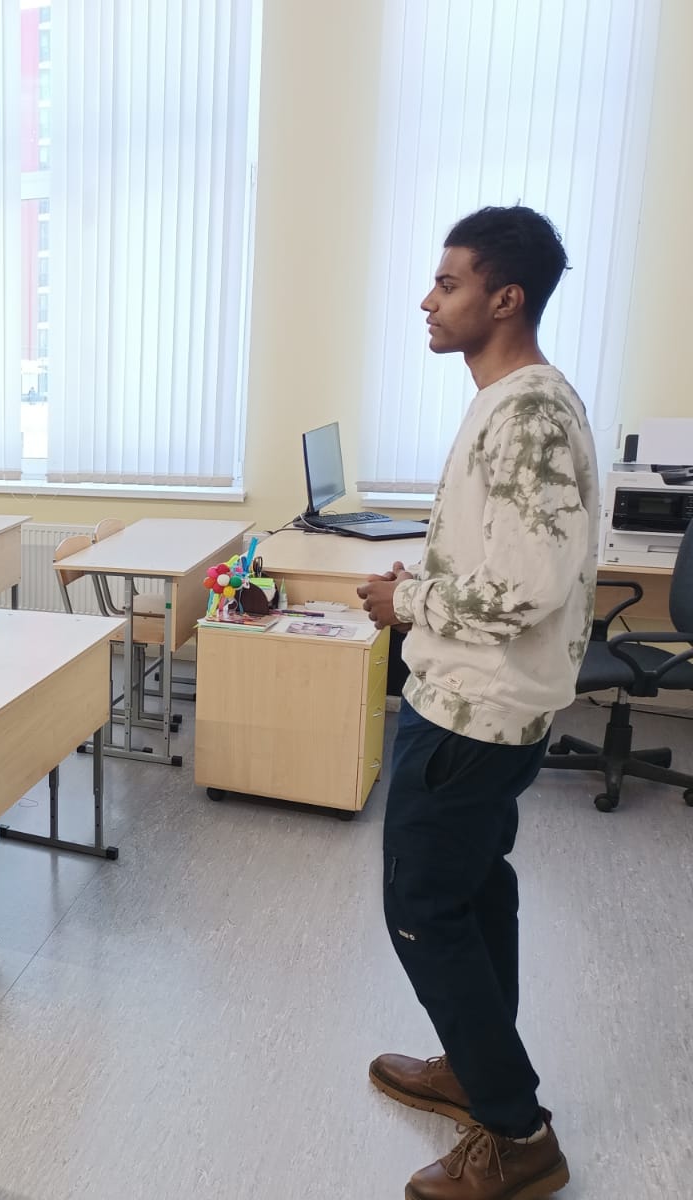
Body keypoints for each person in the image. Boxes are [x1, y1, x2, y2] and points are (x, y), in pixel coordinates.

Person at [357, 206, 596, 1200]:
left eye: (448, 283)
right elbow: (502, 560)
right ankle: (474, 1061)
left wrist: (408, 602)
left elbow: (527, 585)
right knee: (473, 890)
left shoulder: (529, 415)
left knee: (421, 908)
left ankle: (516, 1133)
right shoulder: (510, 402)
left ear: (505, 299)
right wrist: (431, 579)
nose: (427, 299)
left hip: (472, 711)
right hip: (486, 703)